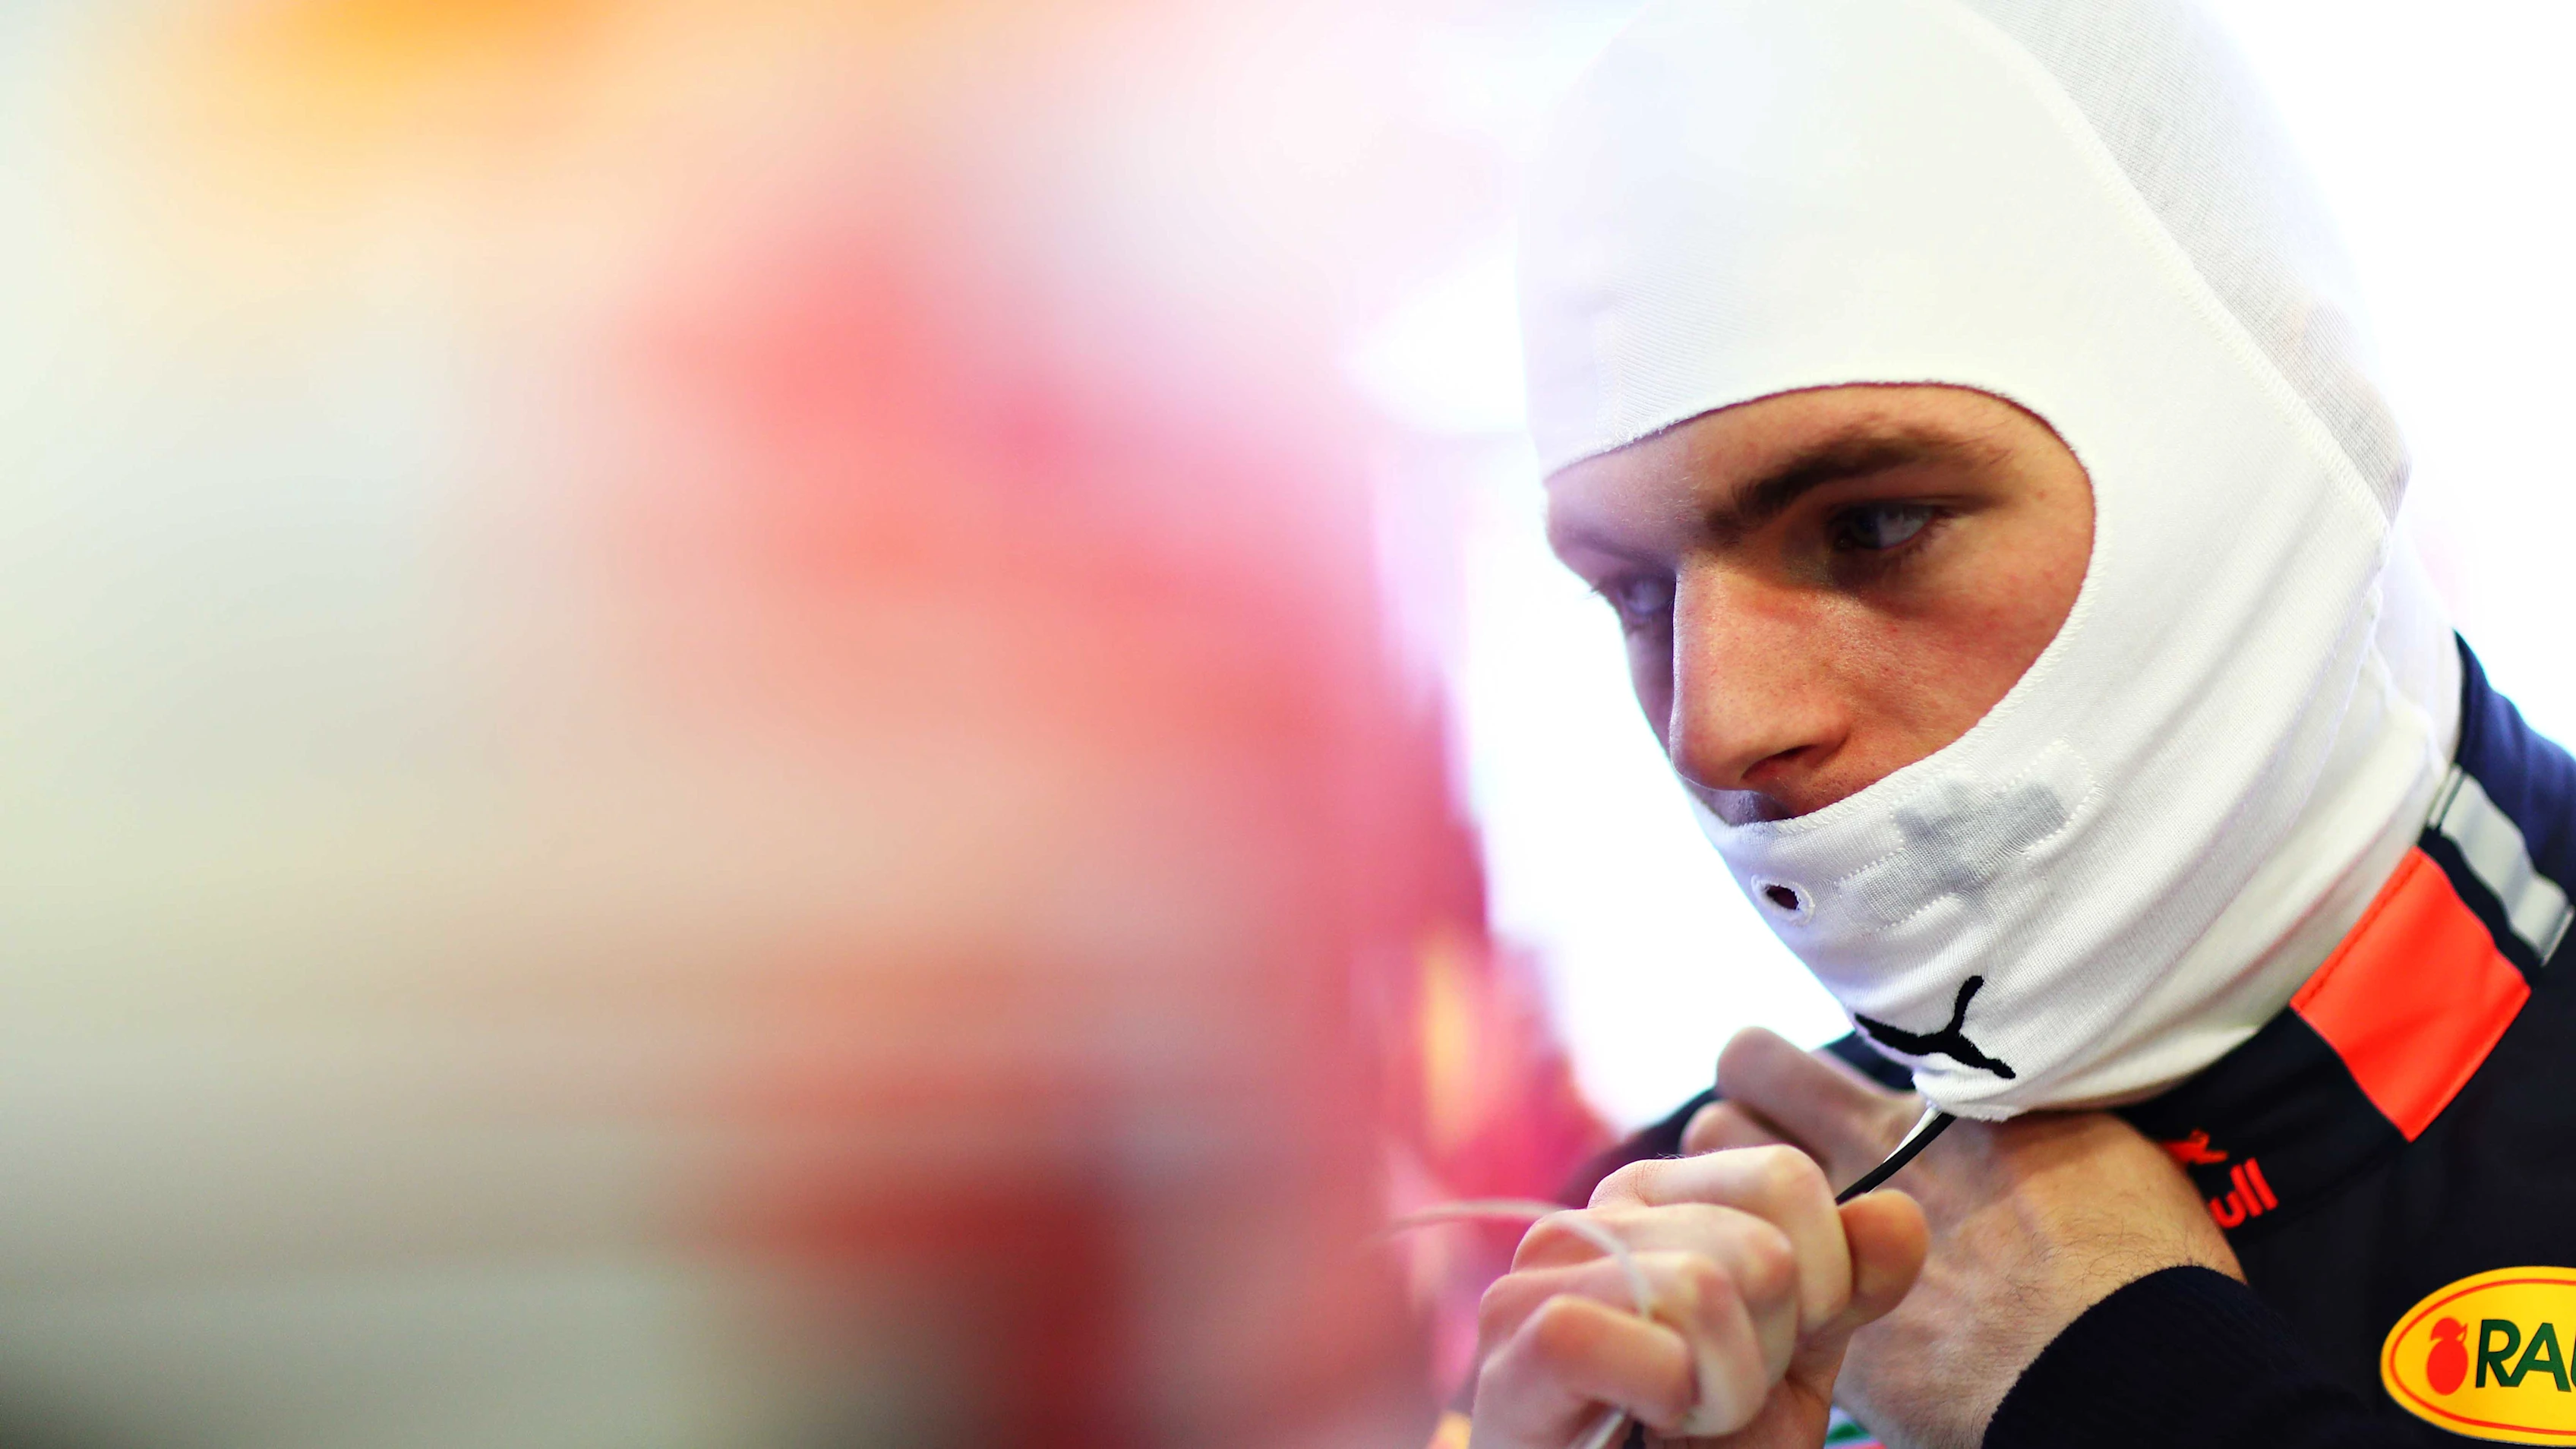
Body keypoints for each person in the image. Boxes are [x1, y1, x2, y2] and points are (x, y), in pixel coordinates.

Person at [1450, 1, 2576, 1445]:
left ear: (2293, 415)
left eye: (1874, 524)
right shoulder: (1643, 1275)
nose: (1716, 729)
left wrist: (2131, 1390)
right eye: (1635, 592)